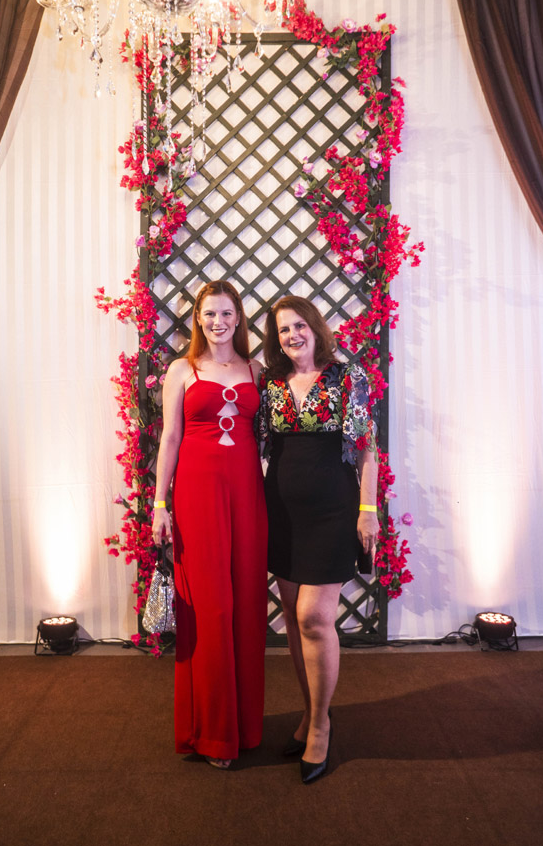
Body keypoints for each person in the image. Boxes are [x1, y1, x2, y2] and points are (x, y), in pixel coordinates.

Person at [259, 295, 380, 784]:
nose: (292, 335)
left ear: (315, 327)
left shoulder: (348, 377)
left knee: (313, 617)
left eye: (299, 325)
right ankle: (310, 713)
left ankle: (322, 725)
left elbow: (367, 448)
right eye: (283, 329)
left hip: (333, 510)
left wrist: (368, 511)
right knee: (293, 617)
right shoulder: (270, 383)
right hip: (283, 513)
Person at [152, 280, 267, 769]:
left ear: (238, 318)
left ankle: (244, 727)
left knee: (246, 607)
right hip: (197, 497)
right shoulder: (182, 369)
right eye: (209, 314)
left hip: (247, 496)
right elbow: (170, 438)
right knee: (211, 608)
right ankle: (213, 733)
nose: (218, 322)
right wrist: (160, 503)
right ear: (197, 318)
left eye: (226, 313)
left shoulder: (257, 371)